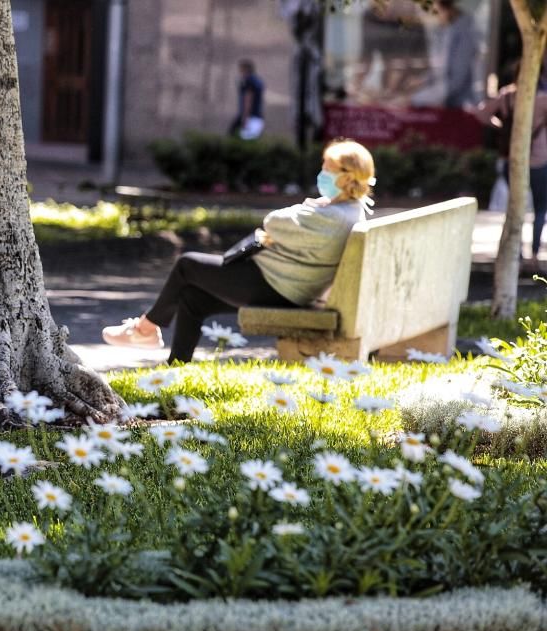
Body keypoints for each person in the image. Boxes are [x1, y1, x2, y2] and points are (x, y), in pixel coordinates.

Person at [101, 139, 375, 364]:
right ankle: (174, 369)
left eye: (327, 168)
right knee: (192, 297)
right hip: (289, 285)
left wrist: (311, 205)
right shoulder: (351, 211)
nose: (322, 173)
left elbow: (273, 221)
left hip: (278, 287)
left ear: (345, 177)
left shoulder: (330, 215)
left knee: (187, 265)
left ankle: (145, 329)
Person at [472, 84, 547, 270]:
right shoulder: (544, 99)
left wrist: (502, 126)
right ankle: (535, 255)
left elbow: (481, 114)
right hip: (539, 159)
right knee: (539, 209)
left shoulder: (507, 95)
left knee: (515, 208)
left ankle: (517, 254)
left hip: (511, 156)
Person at [410, 0, 478, 109]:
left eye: (435, 11)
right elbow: (440, 69)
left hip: (459, 107)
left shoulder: (465, 32)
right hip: (443, 103)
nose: (433, 17)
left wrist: (418, 98)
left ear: (446, 9)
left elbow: (456, 82)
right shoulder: (445, 30)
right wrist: (421, 81)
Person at [229, 60, 265, 140]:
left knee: (234, 137)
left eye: (241, 70)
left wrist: (245, 118)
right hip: (257, 116)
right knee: (251, 141)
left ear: (245, 70)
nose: (240, 73)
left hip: (249, 117)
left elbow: (248, 100)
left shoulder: (248, 82)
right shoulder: (257, 81)